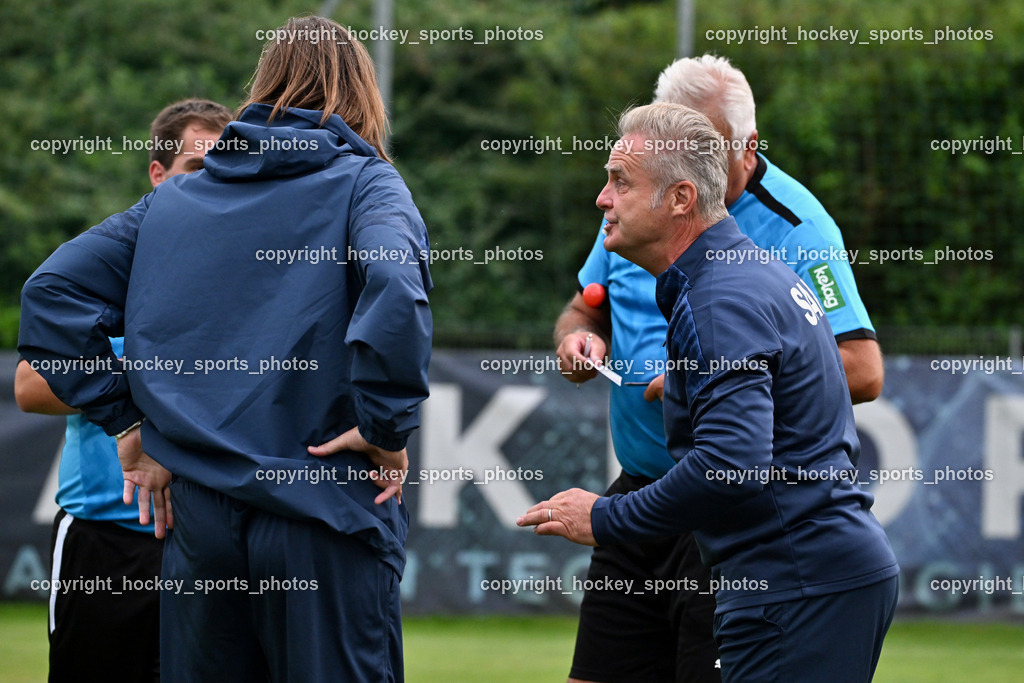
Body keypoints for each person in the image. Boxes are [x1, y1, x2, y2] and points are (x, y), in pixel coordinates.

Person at [18, 16, 431, 683]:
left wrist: (126, 420)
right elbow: (395, 289)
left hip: (200, 522)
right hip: (321, 512)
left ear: (262, 86)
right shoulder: (367, 183)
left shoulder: (177, 198)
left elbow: (50, 292)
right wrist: (386, 428)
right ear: (363, 93)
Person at [523, 103, 899, 683]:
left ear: (679, 198)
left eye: (620, 182)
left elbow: (731, 465)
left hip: (797, 584)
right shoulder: (734, 273)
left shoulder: (719, 297)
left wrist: (606, 517)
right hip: (812, 576)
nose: (602, 198)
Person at [14, 98, 230, 683]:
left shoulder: (247, 268)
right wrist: (158, 369)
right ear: (158, 175)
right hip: (107, 541)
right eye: (194, 168)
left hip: (211, 541)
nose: (210, 185)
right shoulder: (108, 261)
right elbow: (32, 385)